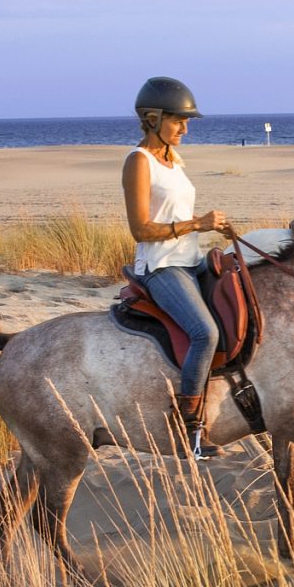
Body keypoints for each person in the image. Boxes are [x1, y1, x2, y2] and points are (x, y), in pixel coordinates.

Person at [121, 76, 236, 461]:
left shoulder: (173, 160)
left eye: (187, 121)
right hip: (162, 267)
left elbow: (178, 213)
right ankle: (188, 430)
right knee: (204, 333)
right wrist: (197, 224)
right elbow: (140, 228)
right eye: (177, 120)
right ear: (152, 118)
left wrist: (213, 228)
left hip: (190, 260)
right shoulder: (139, 161)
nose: (185, 128)